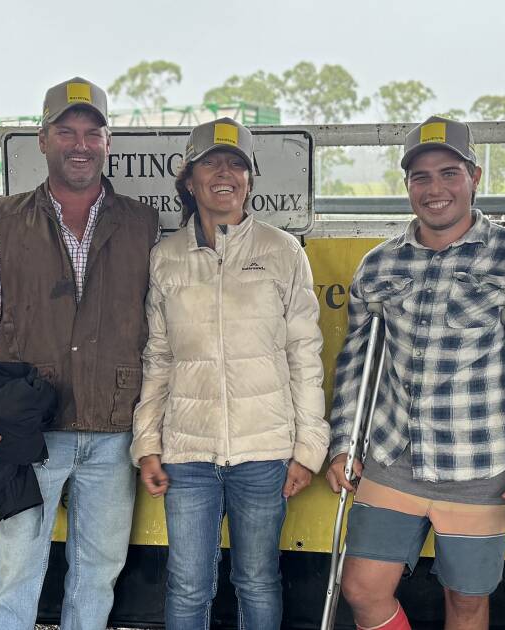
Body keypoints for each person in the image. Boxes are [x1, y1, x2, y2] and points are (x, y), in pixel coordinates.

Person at [325, 116, 505, 630]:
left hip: (481, 467)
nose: (435, 189)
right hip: (393, 457)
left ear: (475, 177)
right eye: (421, 177)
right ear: (407, 186)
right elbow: (356, 363)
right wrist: (340, 444)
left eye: (449, 173)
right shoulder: (379, 265)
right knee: (359, 589)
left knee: (465, 604)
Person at [0, 77, 158, 629]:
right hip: (26, 427)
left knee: (101, 566)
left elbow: (160, 331)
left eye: (92, 132)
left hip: (115, 431)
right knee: (15, 564)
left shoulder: (143, 225)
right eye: (66, 131)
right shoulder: (5, 222)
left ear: (109, 142)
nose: (80, 144)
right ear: (43, 140)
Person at [130, 117, 328, 630]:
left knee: (258, 580)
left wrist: (308, 447)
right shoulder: (166, 257)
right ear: (189, 179)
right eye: (210, 162)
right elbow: (159, 357)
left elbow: (305, 355)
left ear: (250, 178)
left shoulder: (283, 251)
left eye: (236, 163)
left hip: (264, 454)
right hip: (188, 454)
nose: (225, 173)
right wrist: (147, 442)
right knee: (188, 584)